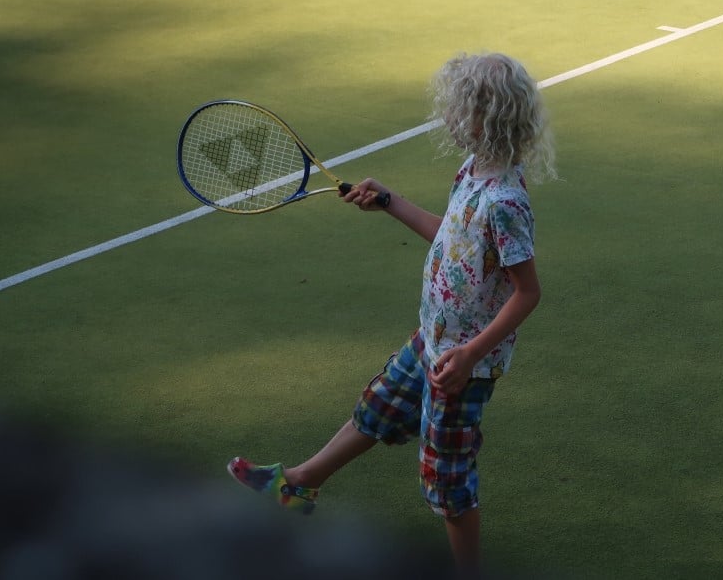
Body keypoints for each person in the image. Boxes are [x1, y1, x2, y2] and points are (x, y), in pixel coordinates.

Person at [228, 52, 555, 576]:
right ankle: (299, 483)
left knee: (447, 478)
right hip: (433, 338)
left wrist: (470, 355)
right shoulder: (471, 172)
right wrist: (391, 201)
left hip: (459, 365)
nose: (448, 119)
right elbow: (452, 238)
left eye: (458, 110)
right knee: (378, 407)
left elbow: (528, 292)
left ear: (486, 118)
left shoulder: (505, 203)